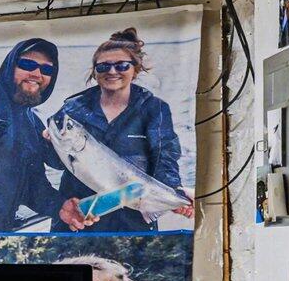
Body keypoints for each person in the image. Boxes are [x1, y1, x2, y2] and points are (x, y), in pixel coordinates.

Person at [49, 27, 192, 231]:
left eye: (122, 66)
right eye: (103, 67)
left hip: (133, 217)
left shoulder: (154, 109)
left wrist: (174, 192)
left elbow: (165, 156)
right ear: (94, 72)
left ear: (135, 70)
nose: (112, 72)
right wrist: (50, 143)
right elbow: (56, 161)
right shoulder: (72, 109)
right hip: (80, 213)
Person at [0, 37, 89, 232]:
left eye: (47, 70)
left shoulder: (33, 123)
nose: (37, 74)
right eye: (28, 64)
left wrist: (60, 206)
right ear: (10, 65)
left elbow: (33, 186)